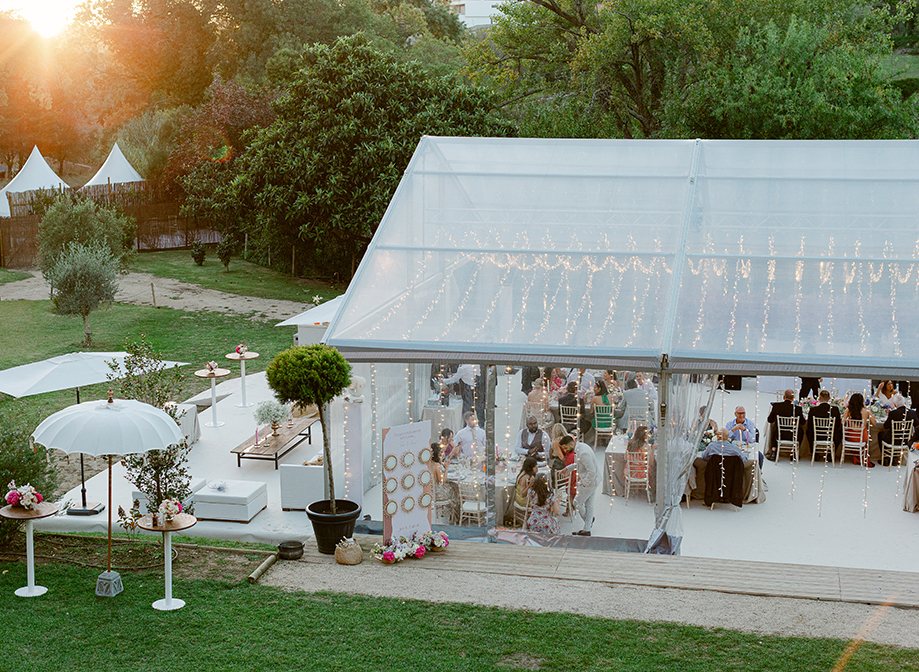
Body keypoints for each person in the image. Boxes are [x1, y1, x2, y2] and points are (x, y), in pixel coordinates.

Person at [561, 435, 598, 536]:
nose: (565, 450)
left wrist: (584, 483)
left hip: (590, 481)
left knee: (576, 502)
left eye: (565, 447)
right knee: (589, 505)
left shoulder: (583, 453)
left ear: (572, 444)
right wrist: (568, 468)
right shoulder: (580, 447)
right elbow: (579, 464)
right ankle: (587, 528)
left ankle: (588, 521)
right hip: (594, 480)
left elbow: (592, 471)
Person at [879, 394, 919, 462]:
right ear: (905, 403)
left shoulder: (893, 413)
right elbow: (917, 424)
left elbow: (885, 426)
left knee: (880, 434)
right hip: (906, 440)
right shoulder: (912, 413)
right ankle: (895, 457)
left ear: (894, 404)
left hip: (892, 439)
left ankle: (886, 458)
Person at [766, 389, 804, 459]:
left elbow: (769, 420)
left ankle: (774, 451)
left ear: (784, 397)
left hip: (779, 434)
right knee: (801, 430)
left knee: (774, 428)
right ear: (793, 399)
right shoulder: (798, 409)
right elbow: (803, 422)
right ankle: (794, 452)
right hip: (793, 435)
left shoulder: (776, 406)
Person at [842, 393, 876, 467]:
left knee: (849, 432)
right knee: (865, 432)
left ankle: (856, 457)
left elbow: (842, 422)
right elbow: (874, 423)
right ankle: (860, 457)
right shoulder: (866, 411)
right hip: (862, 438)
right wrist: (872, 416)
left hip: (850, 437)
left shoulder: (848, 410)